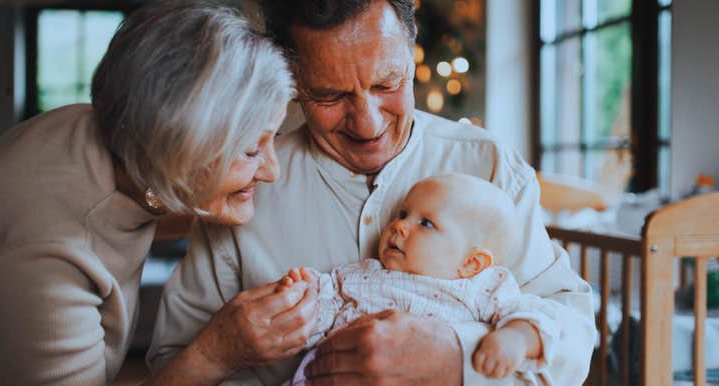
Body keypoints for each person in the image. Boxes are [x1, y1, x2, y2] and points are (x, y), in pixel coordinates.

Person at [147, 0, 595, 385]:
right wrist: (222, 350)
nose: (368, 124)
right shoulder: (245, 184)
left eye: (387, 84)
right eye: (329, 95)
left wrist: (458, 360)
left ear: (411, 47)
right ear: (292, 81)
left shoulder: (490, 166)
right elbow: (174, 365)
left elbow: (571, 334)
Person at [0, 2, 297, 385]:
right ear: (181, 152)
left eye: (273, 137)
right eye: (250, 151)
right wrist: (217, 352)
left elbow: (140, 207)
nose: (272, 171)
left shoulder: (103, 131)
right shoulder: (46, 262)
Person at [279, 174, 560, 385]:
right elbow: (321, 312)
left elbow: (534, 314)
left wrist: (514, 338)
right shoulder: (365, 274)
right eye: (403, 214)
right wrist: (303, 290)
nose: (399, 225)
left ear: (471, 263)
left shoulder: (481, 287)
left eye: (425, 223)